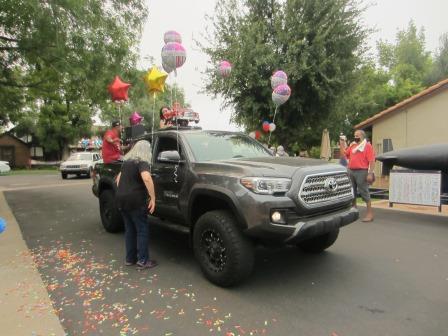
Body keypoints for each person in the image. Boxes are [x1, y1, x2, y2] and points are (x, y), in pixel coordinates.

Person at [115, 140, 157, 270]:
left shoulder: (127, 162)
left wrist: (124, 192)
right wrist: (153, 197)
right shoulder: (142, 162)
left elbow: (118, 180)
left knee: (130, 229)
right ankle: (143, 261)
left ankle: (130, 259)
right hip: (135, 201)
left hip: (121, 199)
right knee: (142, 230)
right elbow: (146, 178)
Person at [339, 129, 375, 222]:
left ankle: (370, 214)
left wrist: (370, 173)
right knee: (352, 192)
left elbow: (371, 160)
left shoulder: (367, 146)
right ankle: (354, 210)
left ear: (362, 136)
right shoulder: (353, 145)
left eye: (357, 135)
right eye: (355, 135)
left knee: (364, 192)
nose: (355, 137)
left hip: (362, 172)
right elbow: (344, 154)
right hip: (351, 171)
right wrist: (342, 143)